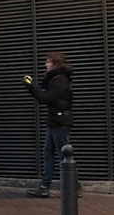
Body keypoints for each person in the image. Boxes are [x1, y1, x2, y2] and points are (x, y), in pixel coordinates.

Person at [22, 51, 82, 198]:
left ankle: (74, 187)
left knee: (64, 155)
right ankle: (45, 186)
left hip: (59, 121)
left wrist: (31, 87)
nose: (45, 65)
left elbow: (46, 98)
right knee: (49, 153)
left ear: (55, 64)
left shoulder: (59, 79)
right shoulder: (57, 78)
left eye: (48, 62)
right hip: (55, 120)